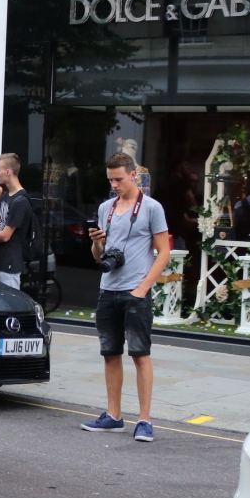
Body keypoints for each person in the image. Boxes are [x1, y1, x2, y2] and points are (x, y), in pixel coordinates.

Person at [81, 152, 172, 443]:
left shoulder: (152, 208)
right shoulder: (106, 207)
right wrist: (96, 243)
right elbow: (99, 257)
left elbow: (164, 253)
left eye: (119, 179)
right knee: (110, 354)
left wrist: (143, 288)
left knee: (141, 356)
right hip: (108, 289)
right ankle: (113, 416)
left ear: (134, 175)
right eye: (110, 180)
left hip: (135, 291)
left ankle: (144, 420)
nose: (115, 185)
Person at [0, 153, 31, 289]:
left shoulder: (20, 201)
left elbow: (5, 235)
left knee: (9, 305)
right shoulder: (5, 196)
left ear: (8, 172)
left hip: (10, 265)